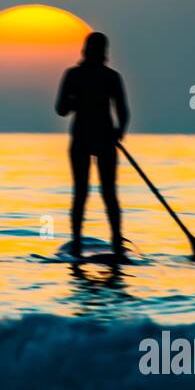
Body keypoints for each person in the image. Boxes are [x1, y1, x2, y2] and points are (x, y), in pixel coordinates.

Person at [55, 32, 130, 258]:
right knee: (91, 193)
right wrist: (119, 131)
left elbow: (122, 110)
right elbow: (61, 109)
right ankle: (90, 241)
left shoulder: (101, 77)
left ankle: (111, 240)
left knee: (96, 193)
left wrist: (119, 132)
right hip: (87, 139)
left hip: (101, 139)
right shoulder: (81, 76)